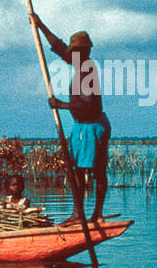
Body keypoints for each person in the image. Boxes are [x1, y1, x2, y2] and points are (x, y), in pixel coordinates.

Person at [30, 12, 110, 226]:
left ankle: (88, 214)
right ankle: (85, 214)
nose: (72, 54)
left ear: (86, 51)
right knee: (80, 169)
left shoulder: (88, 70)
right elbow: (58, 46)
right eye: (73, 52)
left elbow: (89, 104)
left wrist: (60, 105)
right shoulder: (80, 63)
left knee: (88, 171)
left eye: (77, 51)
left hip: (91, 126)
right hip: (86, 125)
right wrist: (40, 24)